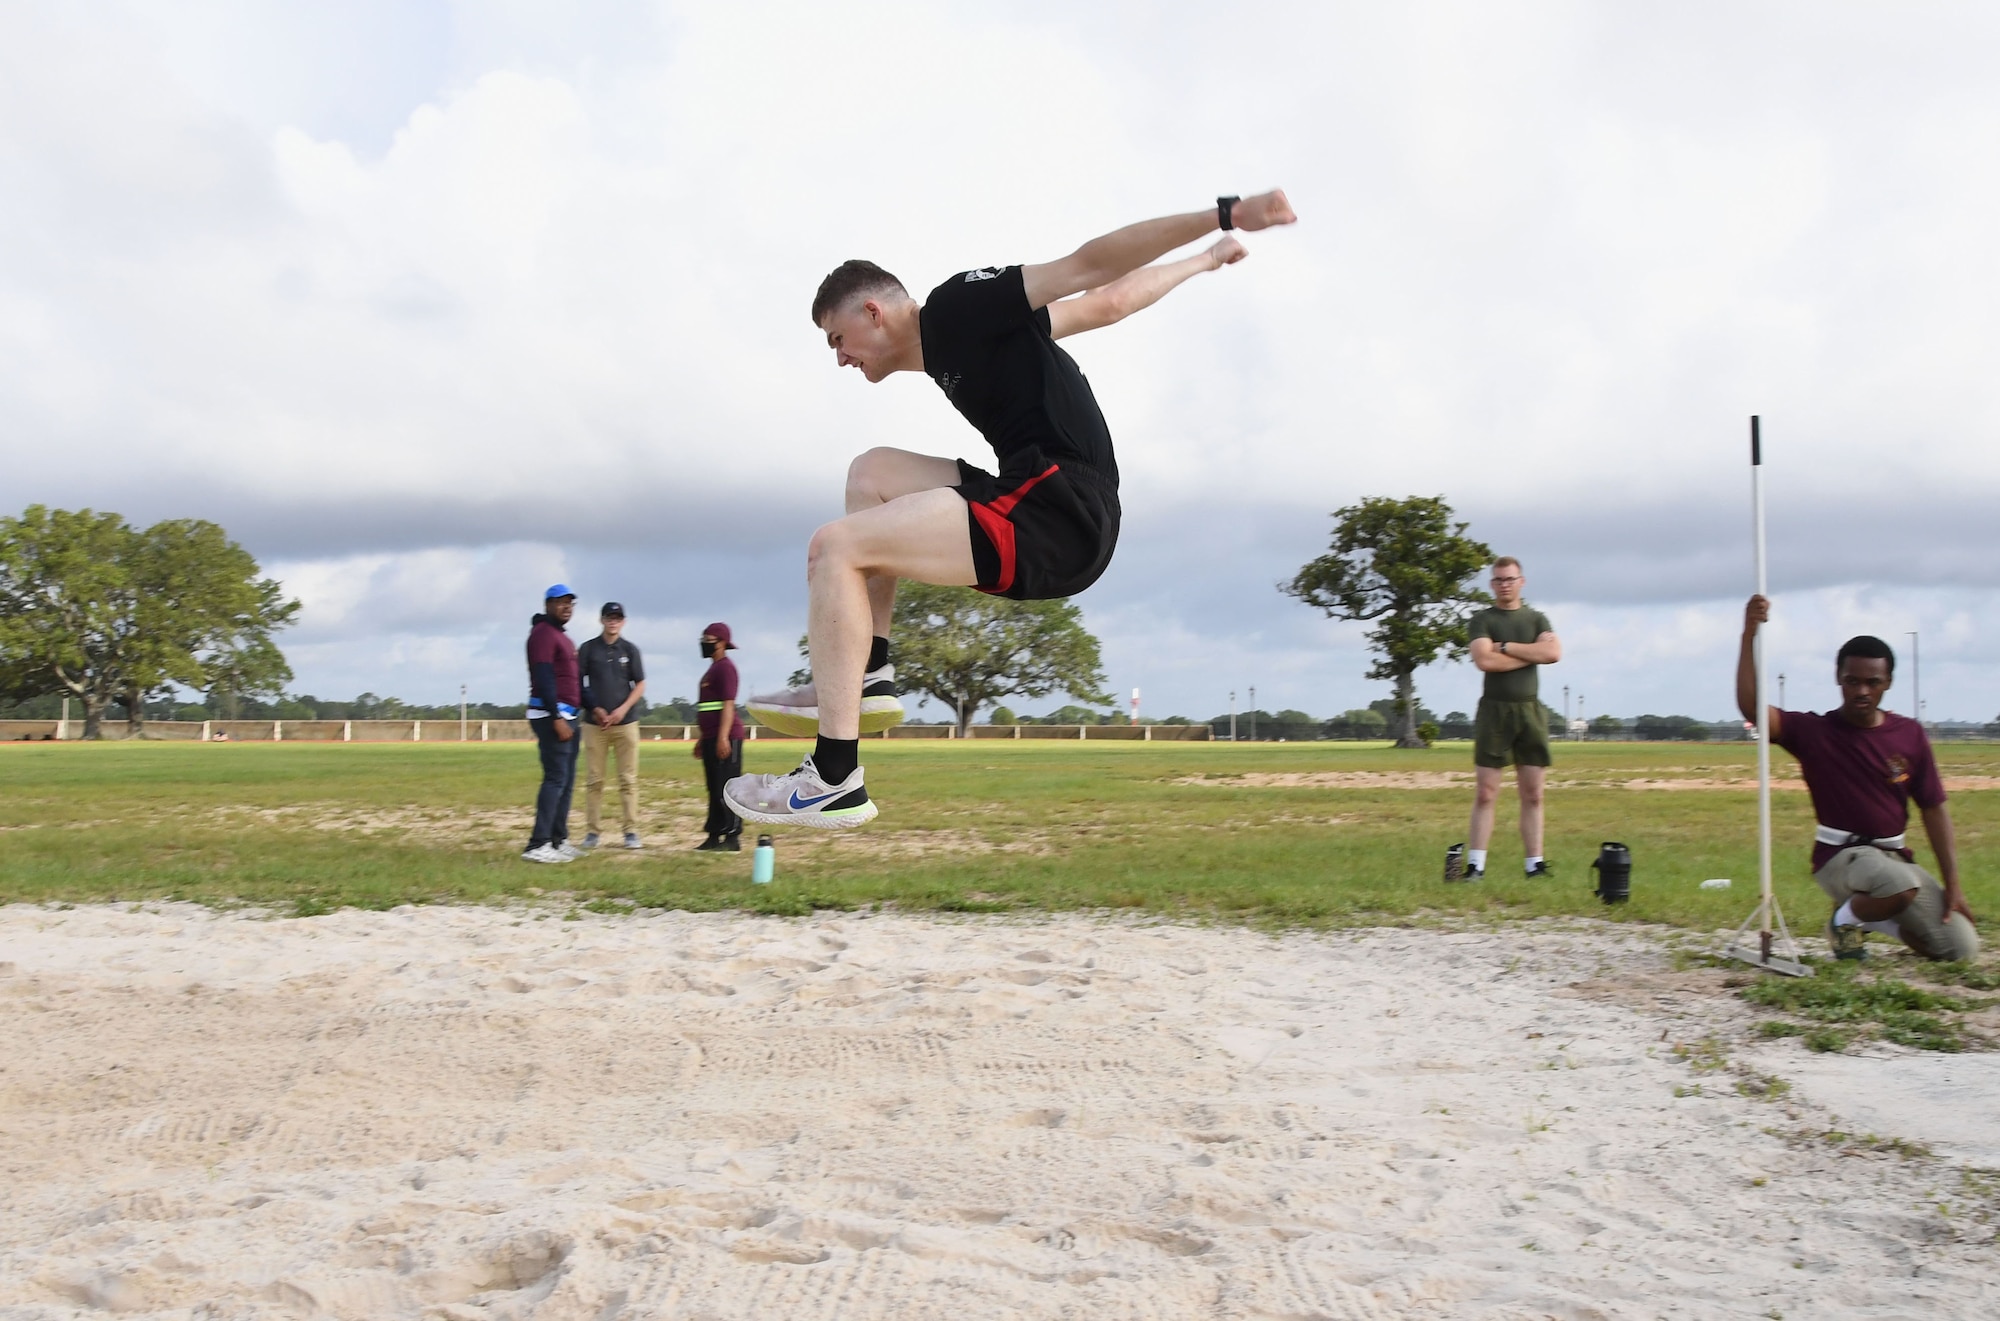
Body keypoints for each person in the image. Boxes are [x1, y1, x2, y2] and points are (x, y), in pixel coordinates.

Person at [729, 190, 1299, 828]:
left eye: (839, 339)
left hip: (1061, 508)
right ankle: (869, 672)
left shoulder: (955, 307)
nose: (839, 357)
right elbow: (1108, 305)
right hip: (1043, 497)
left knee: (833, 546)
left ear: (871, 311)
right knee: (872, 475)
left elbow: (1088, 267)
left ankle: (834, 776)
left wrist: (1221, 217)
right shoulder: (964, 345)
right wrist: (1207, 260)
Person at [1738, 596, 1978, 962]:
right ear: (1839, 679)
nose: (1862, 691)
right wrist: (1749, 634)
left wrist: (1954, 887)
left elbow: (1933, 808)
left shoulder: (1909, 734)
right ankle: (1844, 920)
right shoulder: (1814, 732)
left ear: (1888, 683)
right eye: (1852, 681)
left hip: (1895, 859)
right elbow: (1751, 707)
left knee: (1960, 949)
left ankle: (1875, 921)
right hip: (1841, 857)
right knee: (1899, 886)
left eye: (1872, 682)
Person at [1448, 557, 1562, 881]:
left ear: (1521, 581)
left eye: (1510, 579)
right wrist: (1528, 656)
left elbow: (1553, 654)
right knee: (1486, 792)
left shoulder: (1537, 618)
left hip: (1530, 711)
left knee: (1533, 793)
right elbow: (1484, 660)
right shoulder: (1482, 619)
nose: (1505, 585)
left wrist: (1507, 647)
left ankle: (1534, 865)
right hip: (1494, 711)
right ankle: (1476, 866)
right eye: (1498, 580)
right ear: (1491, 585)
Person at [577, 601, 647, 850]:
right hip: (595, 725)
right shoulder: (588, 649)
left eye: (617, 618)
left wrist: (622, 710)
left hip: (625, 723)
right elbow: (578, 682)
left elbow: (640, 684)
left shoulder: (630, 650)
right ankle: (592, 832)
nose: (613, 621)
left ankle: (631, 831)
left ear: (623, 621)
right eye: (609, 617)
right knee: (595, 780)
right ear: (602, 620)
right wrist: (595, 709)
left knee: (628, 779)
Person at [522, 584, 582, 864]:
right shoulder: (543, 635)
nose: (567, 607)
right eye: (561, 602)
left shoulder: (562, 637)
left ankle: (558, 840)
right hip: (551, 716)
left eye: (571, 603)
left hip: (569, 715)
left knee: (566, 781)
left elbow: (574, 683)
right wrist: (556, 717)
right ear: (548, 605)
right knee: (555, 780)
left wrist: (597, 709)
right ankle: (538, 844)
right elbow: (544, 678)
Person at [695, 622, 746, 851]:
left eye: (709, 639)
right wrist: (703, 738)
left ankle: (733, 836)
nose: (705, 644)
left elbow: (727, 704)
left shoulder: (726, 668)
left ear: (722, 643)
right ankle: (714, 834)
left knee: (727, 788)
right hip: (711, 736)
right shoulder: (712, 669)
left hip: (725, 737)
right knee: (714, 788)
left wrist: (723, 738)